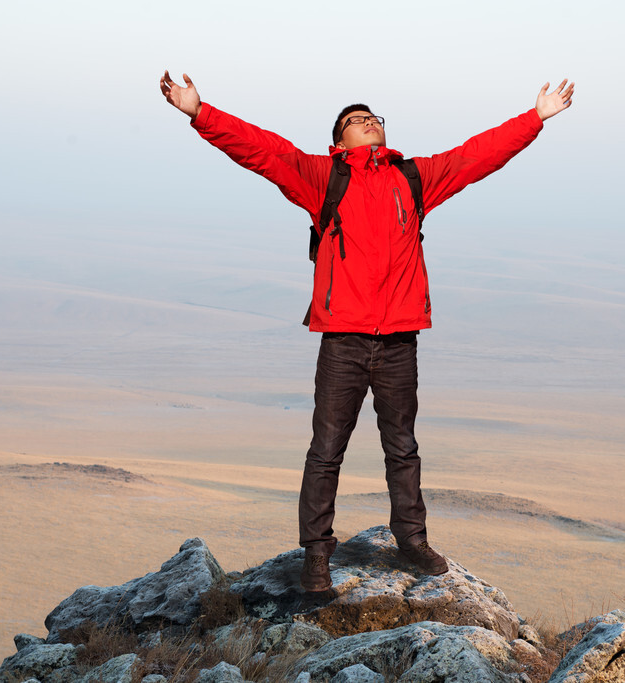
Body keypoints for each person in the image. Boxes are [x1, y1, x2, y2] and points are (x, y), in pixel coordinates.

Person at [159, 70, 574, 591]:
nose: (368, 123)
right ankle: (316, 555)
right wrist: (200, 112)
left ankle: (412, 540)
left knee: (402, 445)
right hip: (345, 339)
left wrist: (535, 117)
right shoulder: (321, 178)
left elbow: (477, 156)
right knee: (327, 448)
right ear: (337, 142)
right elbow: (261, 150)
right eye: (356, 121)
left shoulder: (414, 177)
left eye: (373, 118)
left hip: (400, 338)